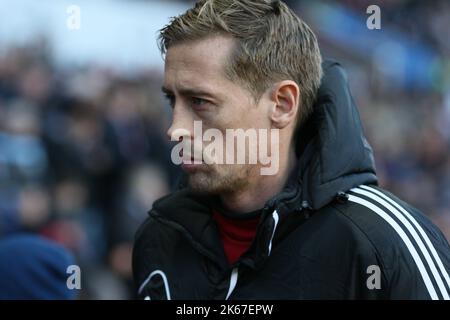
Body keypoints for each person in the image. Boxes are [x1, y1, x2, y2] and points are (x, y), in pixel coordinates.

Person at [132, 0, 450, 299]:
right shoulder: (159, 237)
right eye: (172, 101)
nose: (175, 129)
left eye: (200, 102)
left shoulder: (382, 245)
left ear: (283, 104)